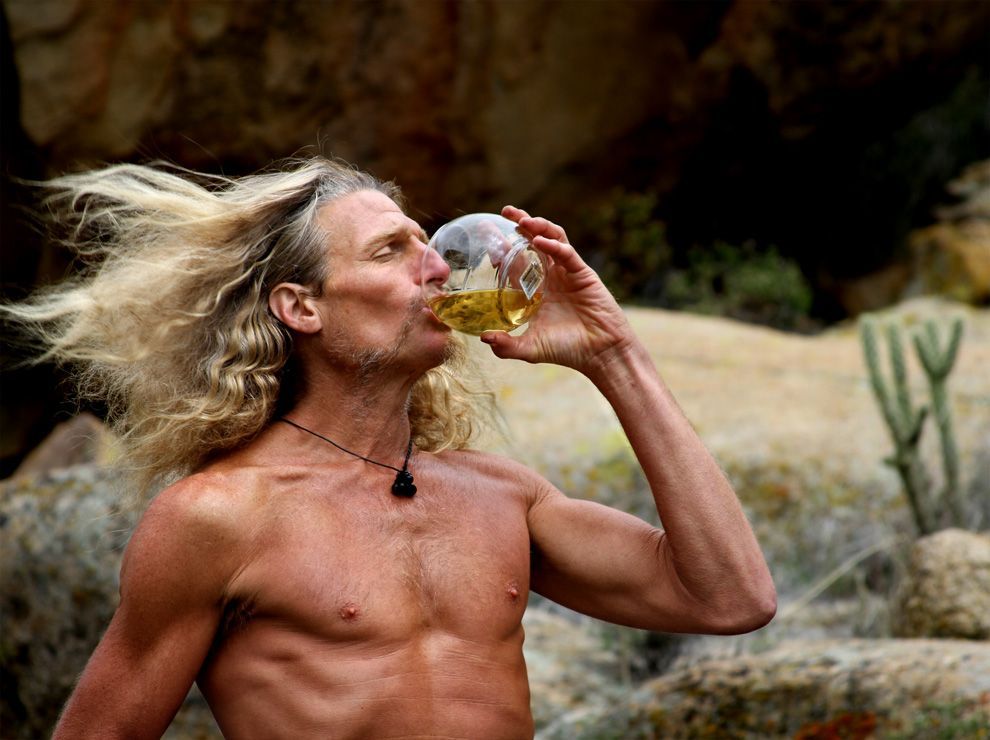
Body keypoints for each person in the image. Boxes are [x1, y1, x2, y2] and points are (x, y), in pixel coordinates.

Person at [5, 156, 775, 739]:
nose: (439, 266)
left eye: (427, 245)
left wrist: (613, 353)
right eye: (391, 252)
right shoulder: (217, 518)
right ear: (301, 307)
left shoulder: (501, 496)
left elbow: (730, 598)